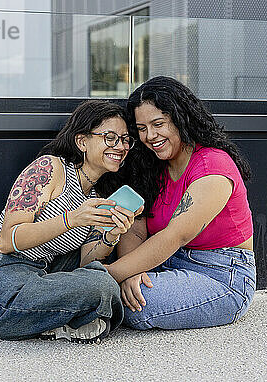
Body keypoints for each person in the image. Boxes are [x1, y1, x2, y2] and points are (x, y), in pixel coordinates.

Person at [0, 100, 142, 343]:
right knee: (99, 289)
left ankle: (18, 312)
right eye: (110, 137)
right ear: (82, 141)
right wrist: (71, 219)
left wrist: (112, 234)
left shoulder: (96, 198)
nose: (120, 146)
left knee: (101, 283)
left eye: (125, 139)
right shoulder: (48, 169)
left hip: (40, 272)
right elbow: (7, 241)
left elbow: (87, 264)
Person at [105, 76, 256, 330]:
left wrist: (106, 277)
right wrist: (130, 271)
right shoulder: (152, 167)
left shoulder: (212, 166)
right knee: (127, 294)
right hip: (165, 263)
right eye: (141, 128)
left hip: (221, 276)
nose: (150, 136)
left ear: (180, 118)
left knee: (137, 304)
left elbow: (175, 236)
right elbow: (135, 227)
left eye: (158, 124)